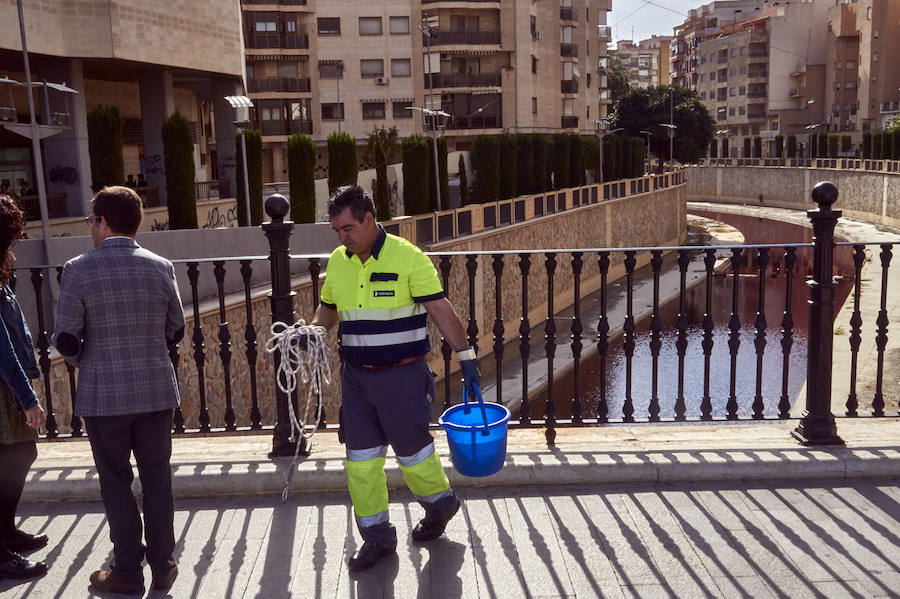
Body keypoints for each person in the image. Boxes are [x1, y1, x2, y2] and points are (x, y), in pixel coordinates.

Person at [310, 185, 481, 572]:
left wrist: (466, 357)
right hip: (356, 379)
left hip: (402, 376)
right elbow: (328, 309)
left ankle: (440, 504)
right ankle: (377, 538)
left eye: (348, 228)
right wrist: (315, 330)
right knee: (361, 461)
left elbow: (440, 308)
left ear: (369, 220)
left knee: (413, 453)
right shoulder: (339, 261)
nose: (342, 237)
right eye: (337, 230)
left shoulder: (409, 258)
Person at [52, 186, 184, 595]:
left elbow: (67, 340)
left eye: (93, 220)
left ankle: (127, 571)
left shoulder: (78, 268)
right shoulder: (161, 266)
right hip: (156, 391)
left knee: (115, 481)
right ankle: (163, 564)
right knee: (158, 477)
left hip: (103, 396)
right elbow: (176, 328)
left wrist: (88, 362)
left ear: (103, 222)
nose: (91, 228)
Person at [0, 194, 48, 581]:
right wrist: (28, 399)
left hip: (6, 388)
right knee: (10, 461)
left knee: (20, 456)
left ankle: (6, 533)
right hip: (2, 389)